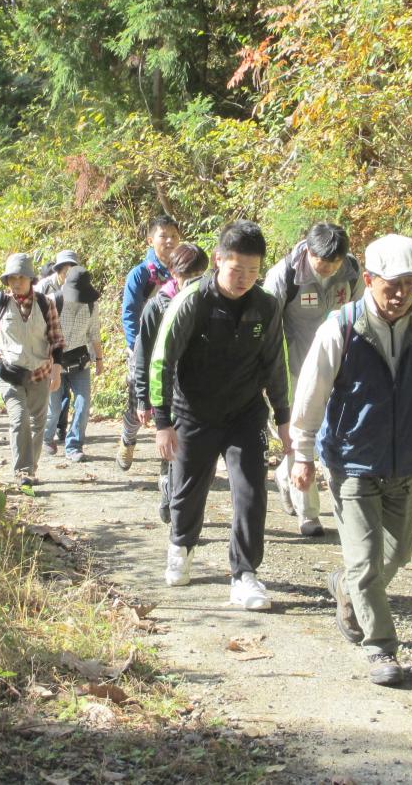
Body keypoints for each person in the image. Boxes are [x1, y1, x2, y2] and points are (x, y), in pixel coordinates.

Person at [290, 235, 412, 686]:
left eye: (410, 283)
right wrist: (302, 454)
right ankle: (381, 649)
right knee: (366, 563)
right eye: (392, 285)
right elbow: (311, 394)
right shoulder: (341, 327)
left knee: (397, 554)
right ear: (368, 281)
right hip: (352, 461)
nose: (401, 294)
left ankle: (344, 588)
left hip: (407, 461)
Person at [149, 221, 290, 611]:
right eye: (236, 269)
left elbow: (276, 363)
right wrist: (163, 421)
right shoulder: (192, 301)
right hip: (193, 411)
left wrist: (284, 416)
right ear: (218, 260)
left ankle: (244, 574)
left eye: (252, 270)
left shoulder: (266, 305)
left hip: (245, 412)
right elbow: (162, 360)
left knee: (251, 490)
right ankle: (181, 544)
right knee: (188, 489)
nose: (244, 278)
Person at [264, 222, 365, 536]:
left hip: (342, 368)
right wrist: (268, 376)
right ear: (308, 251)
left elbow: (363, 316)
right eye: (324, 261)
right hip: (298, 369)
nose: (330, 267)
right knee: (299, 434)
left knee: (332, 435)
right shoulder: (284, 276)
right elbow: (266, 328)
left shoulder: (350, 272)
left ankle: (285, 475)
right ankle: (308, 514)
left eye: (336, 261)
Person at [133, 243, 210, 523]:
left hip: (198, 391)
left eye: (200, 272)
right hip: (167, 389)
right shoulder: (157, 305)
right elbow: (144, 355)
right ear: (173, 273)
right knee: (174, 454)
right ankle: (173, 502)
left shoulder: (209, 301)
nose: (193, 279)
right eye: (187, 274)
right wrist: (144, 399)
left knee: (188, 457)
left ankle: (176, 501)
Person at [0, 253, 65, 486]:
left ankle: (30, 468)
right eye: (12, 278)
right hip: (9, 372)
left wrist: (56, 369)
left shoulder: (46, 303)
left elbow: (56, 339)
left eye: (21, 277)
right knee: (19, 419)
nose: (16, 282)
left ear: (31, 279)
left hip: (40, 372)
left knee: (37, 423)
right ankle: (22, 471)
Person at [117, 214, 181, 471]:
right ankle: (128, 438)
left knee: (175, 401)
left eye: (174, 236)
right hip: (144, 348)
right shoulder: (141, 274)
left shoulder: (182, 270)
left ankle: (171, 463)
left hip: (175, 349)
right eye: (163, 235)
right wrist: (135, 348)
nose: (170, 241)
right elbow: (129, 313)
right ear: (150, 239)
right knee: (138, 403)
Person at [42, 265, 102, 462]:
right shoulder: (53, 301)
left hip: (79, 361)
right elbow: (42, 335)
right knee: (55, 407)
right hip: (53, 360)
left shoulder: (92, 305)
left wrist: (99, 360)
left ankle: (74, 445)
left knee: (83, 404)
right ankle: (47, 438)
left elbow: (93, 334)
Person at [35, 249, 82, 445]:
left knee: (64, 392)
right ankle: (46, 432)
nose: (68, 276)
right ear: (59, 270)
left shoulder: (79, 288)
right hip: (46, 343)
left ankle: (61, 429)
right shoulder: (44, 287)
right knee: (53, 391)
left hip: (70, 346)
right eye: (66, 271)